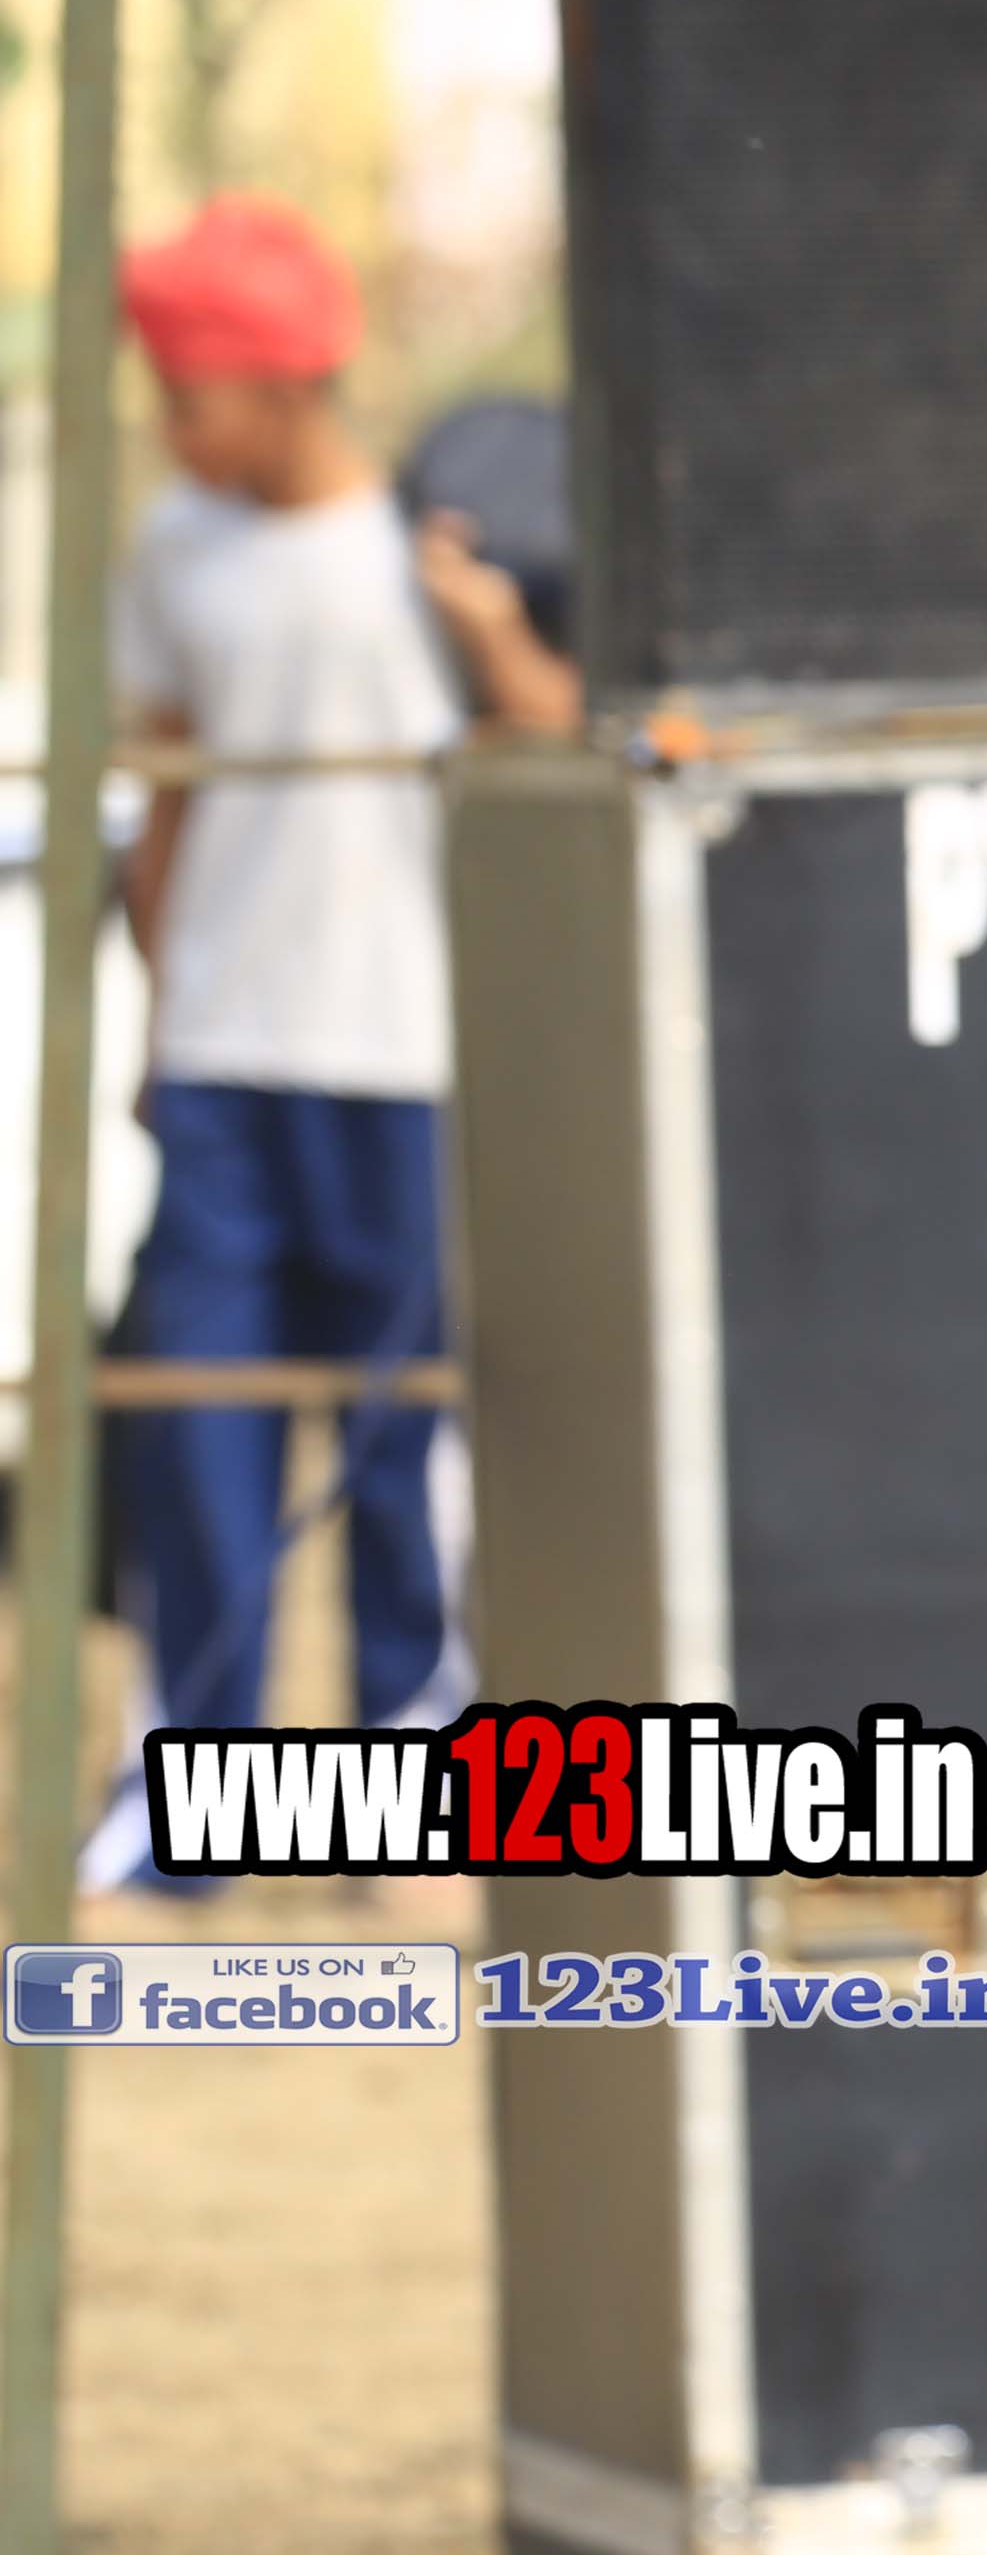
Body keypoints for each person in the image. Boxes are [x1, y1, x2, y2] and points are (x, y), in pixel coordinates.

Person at [89, 195, 576, 1873]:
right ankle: (188, 1798)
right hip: (226, 1061)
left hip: (405, 1062)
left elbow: (560, 744)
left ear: (285, 379)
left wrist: (489, 629)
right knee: (198, 1419)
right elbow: (167, 794)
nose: (172, 426)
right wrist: (157, 1018)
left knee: (398, 1431)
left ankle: (408, 1783)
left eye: (191, 392)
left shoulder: (430, 548)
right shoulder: (175, 547)